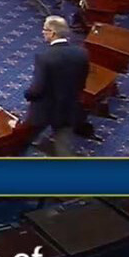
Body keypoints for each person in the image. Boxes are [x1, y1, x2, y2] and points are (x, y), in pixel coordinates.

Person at [20, 16, 89, 157]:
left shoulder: (44, 58)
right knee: (63, 145)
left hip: (44, 110)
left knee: (24, 137)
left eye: (45, 29)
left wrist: (27, 94)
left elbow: (37, 89)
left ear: (52, 33)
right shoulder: (81, 53)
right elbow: (82, 82)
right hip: (68, 107)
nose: (42, 32)